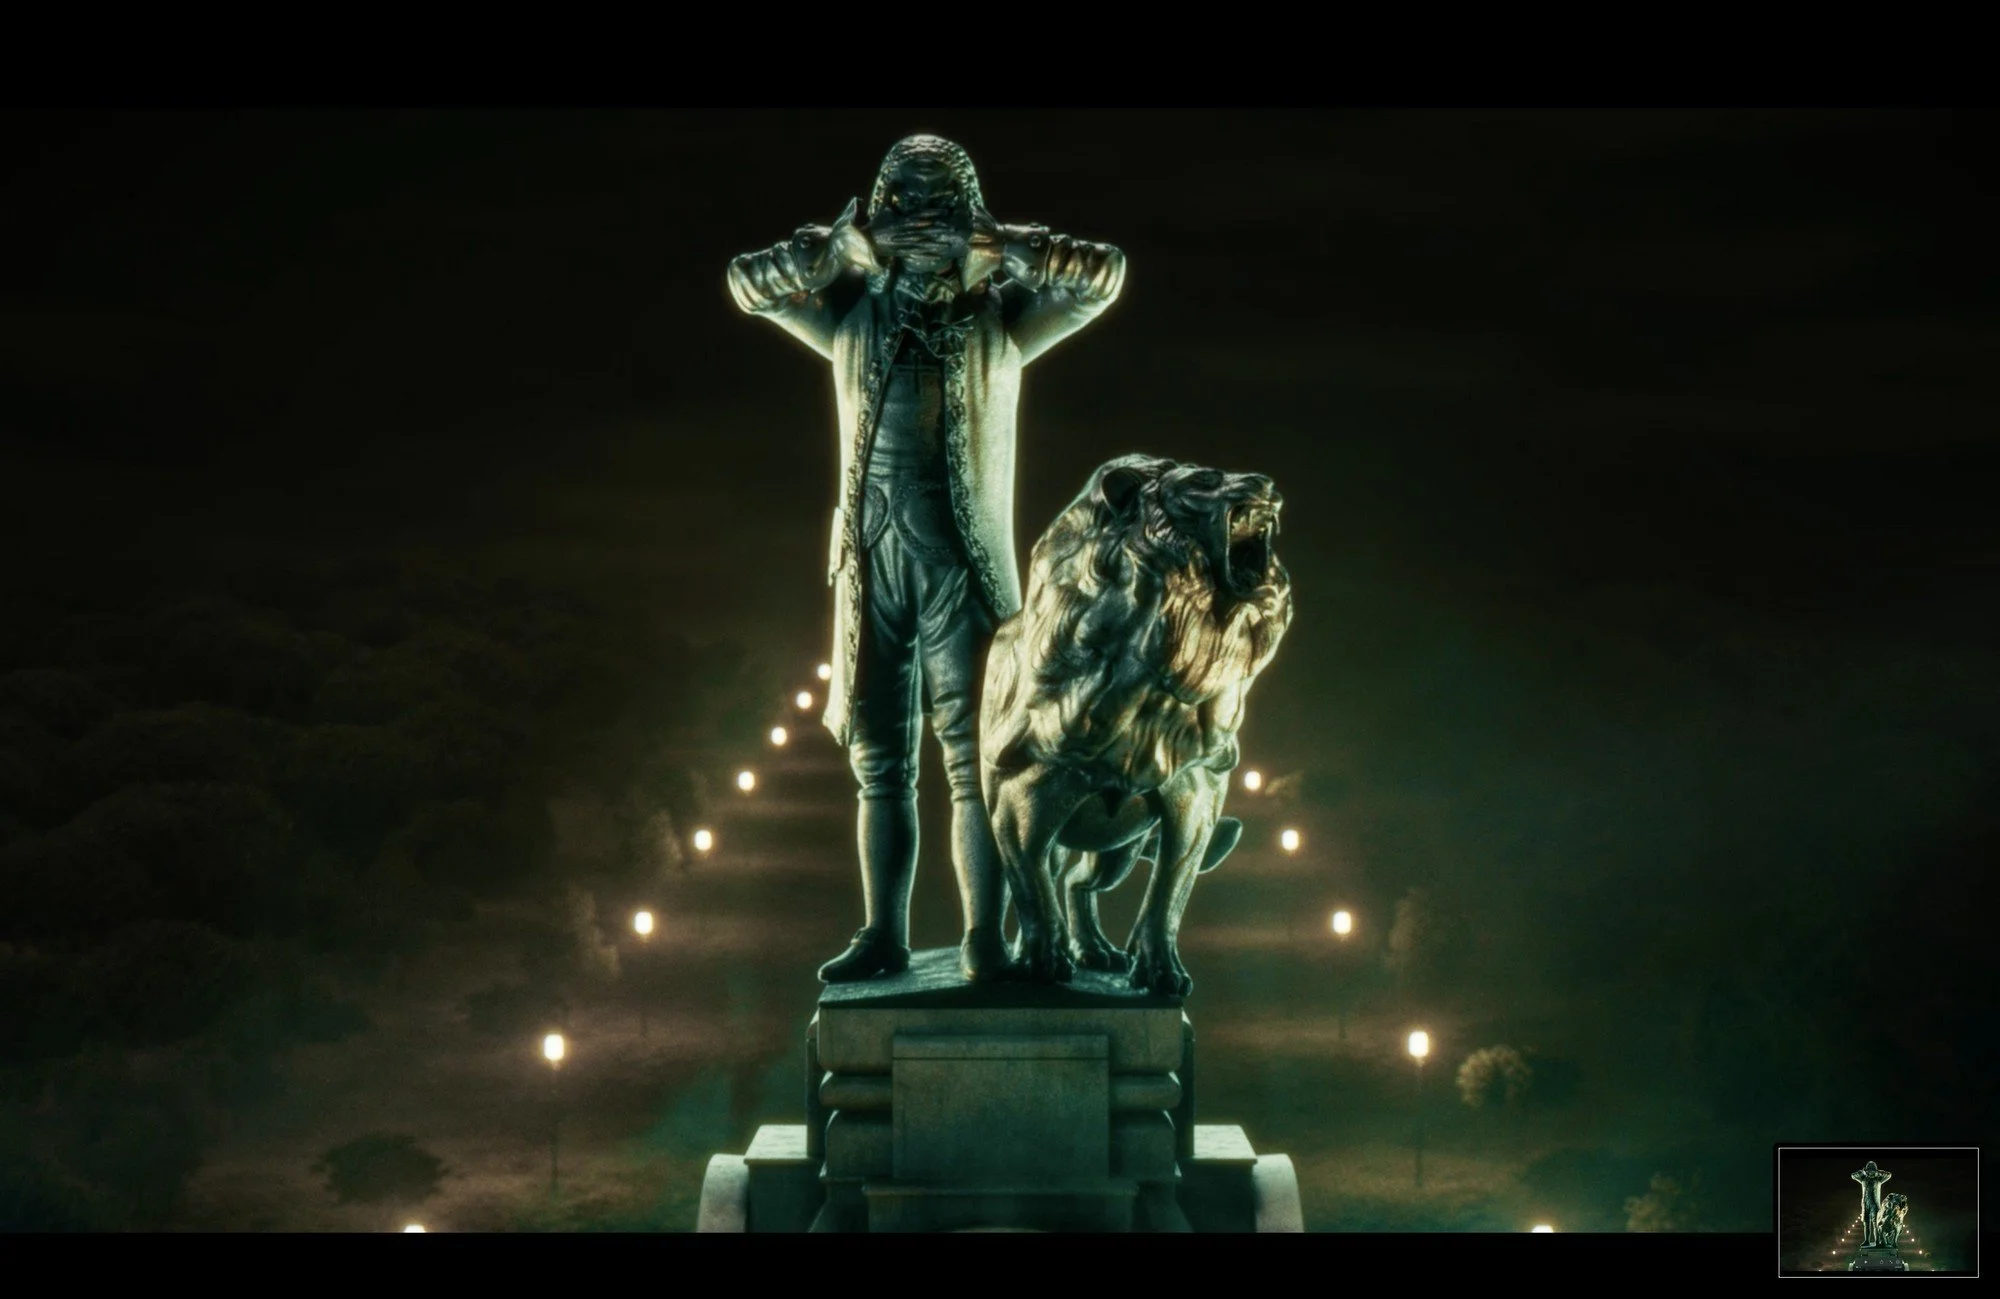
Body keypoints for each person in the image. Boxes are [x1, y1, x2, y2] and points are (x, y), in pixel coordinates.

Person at [727, 134, 1125, 982]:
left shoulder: (1002, 319)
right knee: (878, 762)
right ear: (877, 211)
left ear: (968, 214)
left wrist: (1009, 244)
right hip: (868, 565)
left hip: (965, 569)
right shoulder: (849, 316)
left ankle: (984, 936)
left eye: (940, 208)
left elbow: (1101, 279)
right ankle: (884, 933)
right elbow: (746, 285)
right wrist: (823, 251)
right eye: (902, 206)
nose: (920, 228)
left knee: (971, 761)